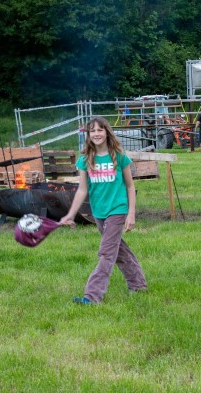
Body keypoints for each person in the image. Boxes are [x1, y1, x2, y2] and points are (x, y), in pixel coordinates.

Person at [60, 116, 147, 304]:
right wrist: (70, 214)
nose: (96, 134)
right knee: (119, 250)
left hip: (117, 209)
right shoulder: (85, 160)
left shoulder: (120, 156)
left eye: (100, 130)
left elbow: (130, 186)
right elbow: (82, 190)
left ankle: (92, 296)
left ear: (107, 132)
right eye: (92, 131)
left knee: (107, 253)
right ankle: (138, 285)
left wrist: (131, 213)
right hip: (98, 213)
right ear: (88, 135)